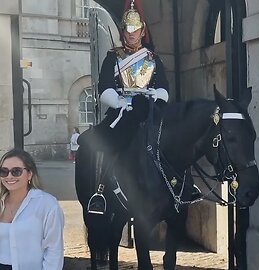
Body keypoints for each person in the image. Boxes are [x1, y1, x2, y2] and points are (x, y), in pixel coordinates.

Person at [83, 0, 199, 214]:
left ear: (142, 30)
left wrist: (156, 96)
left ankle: (184, 186)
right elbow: (105, 87)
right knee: (107, 142)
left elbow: (163, 86)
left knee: (175, 140)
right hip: (122, 110)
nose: (131, 34)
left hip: (149, 108)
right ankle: (100, 190)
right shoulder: (112, 57)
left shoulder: (153, 59)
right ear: (122, 30)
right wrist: (119, 102)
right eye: (127, 29)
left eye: (135, 29)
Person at [0, 148, 64, 270]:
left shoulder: (47, 204)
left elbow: (54, 250)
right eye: (3, 171)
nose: (9, 176)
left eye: (16, 171)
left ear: (29, 174)